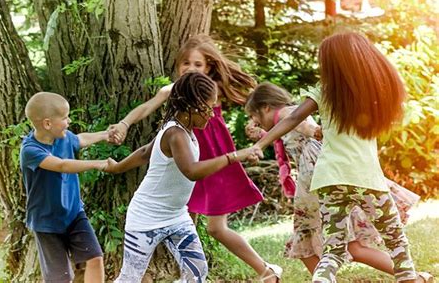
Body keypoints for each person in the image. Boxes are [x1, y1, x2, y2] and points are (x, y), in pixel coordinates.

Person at [253, 32, 431, 283]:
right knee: (395, 239)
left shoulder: (323, 93)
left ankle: (322, 280)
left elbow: (293, 118)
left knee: (334, 249)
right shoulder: (372, 93)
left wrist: (260, 143)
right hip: (366, 179)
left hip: (328, 181)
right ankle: (410, 280)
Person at [109, 35, 281, 281]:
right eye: (185, 64)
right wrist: (125, 124)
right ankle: (194, 273)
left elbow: (254, 99)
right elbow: (148, 109)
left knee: (215, 227)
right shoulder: (177, 99)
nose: (190, 69)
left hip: (213, 161)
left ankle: (265, 270)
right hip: (185, 165)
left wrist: (256, 123)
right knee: (183, 219)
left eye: (197, 64)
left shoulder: (210, 90)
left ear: (209, 67)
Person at [20, 92, 113, 283]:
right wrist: (99, 163)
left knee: (95, 258)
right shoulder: (30, 150)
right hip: (46, 222)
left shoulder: (63, 137)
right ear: (47, 124)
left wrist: (105, 135)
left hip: (73, 214)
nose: (69, 121)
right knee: (60, 278)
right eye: (64, 118)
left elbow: (80, 139)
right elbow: (62, 165)